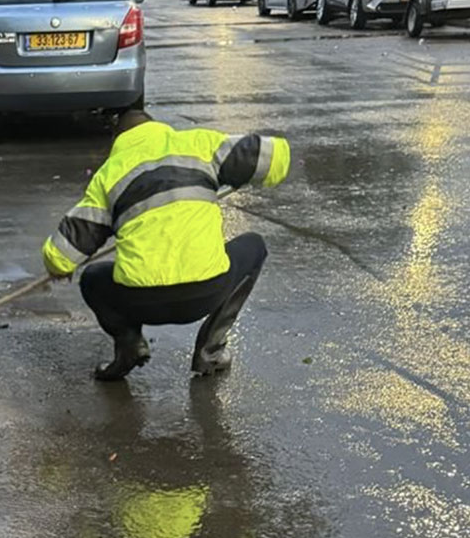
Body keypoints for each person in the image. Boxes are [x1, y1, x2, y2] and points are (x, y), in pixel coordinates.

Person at [42, 111, 291, 380]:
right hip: (207, 292)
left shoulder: (110, 174)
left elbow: (62, 253)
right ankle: (211, 352)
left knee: (92, 278)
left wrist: (57, 266)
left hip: (140, 301)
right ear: (158, 128)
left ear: (119, 140)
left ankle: (129, 347)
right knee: (254, 246)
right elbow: (274, 157)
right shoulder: (199, 145)